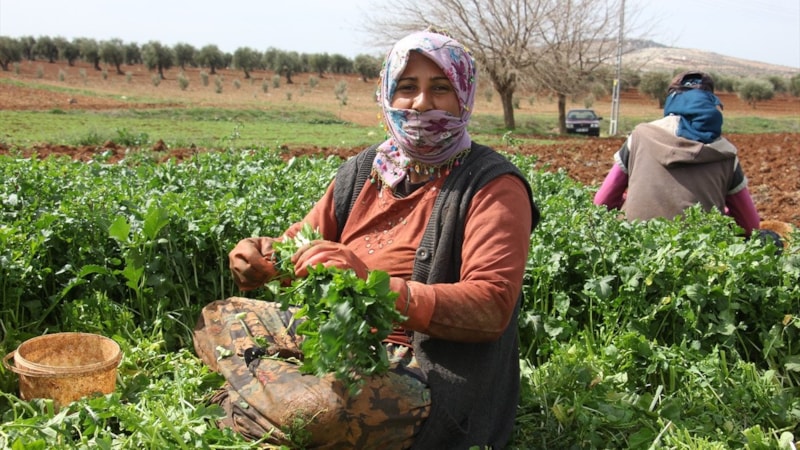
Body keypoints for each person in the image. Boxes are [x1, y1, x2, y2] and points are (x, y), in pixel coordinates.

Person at [193, 29, 540, 449]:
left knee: (320, 412)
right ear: (387, 95)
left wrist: (370, 283)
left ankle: (249, 402)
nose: (421, 103)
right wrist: (263, 258)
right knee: (217, 316)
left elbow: (491, 306)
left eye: (441, 88)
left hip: (414, 365)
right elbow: (300, 244)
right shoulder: (365, 171)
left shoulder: (491, 185)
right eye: (407, 87)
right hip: (338, 334)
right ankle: (274, 400)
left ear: (464, 96)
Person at [593, 70, 760, 237]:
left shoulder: (639, 136)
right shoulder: (725, 152)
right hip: (699, 254)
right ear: (710, 101)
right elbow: (750, 225)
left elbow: (602, 202)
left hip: (636, 246)